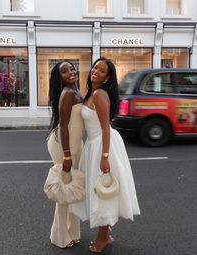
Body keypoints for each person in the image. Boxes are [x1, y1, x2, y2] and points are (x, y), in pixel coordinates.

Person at [71, 58, 140, 253]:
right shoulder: (91, 93)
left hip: (103, 144)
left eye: (101, 71)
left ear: (107, 77)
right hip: (94, 145)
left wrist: (105, 156)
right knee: (99, 189)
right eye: (95, 67)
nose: (95, 71)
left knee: (101, 191)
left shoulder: (100, 94)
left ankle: (103, 237)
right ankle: (105, 231)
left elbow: (106, 128)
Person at [46, 61, 84, 248]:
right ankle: (59, 236)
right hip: (64, 145)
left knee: (72, 187)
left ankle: (73, 231)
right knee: (64, 189)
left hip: (74, 143)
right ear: (59, 77)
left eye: (71, 68)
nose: (70, 72)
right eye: (64, 71)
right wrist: (67, 156)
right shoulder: (68, 94)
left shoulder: (75, 90)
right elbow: (63, 126)